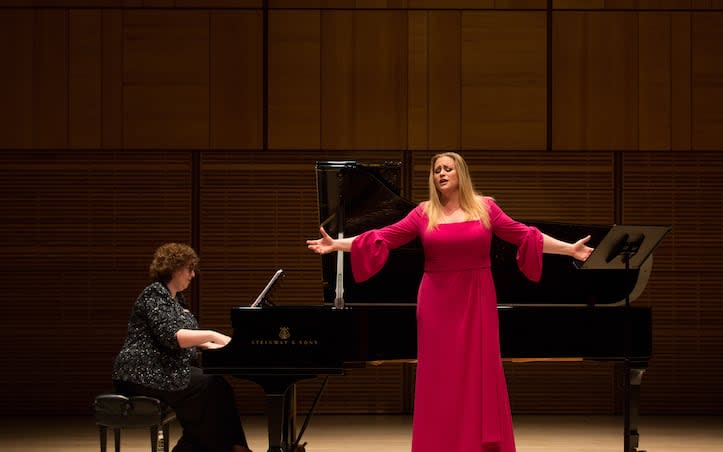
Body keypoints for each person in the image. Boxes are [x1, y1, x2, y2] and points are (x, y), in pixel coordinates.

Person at [306, 152, 594, 452]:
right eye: (436, 170)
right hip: (436, 301)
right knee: (439, 378)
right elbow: (382, 238)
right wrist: (337, 244)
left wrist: (569, 250)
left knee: (478, 373)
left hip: (477, 298)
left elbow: (525, 236)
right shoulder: (423, 213)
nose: (441, 174)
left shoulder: (486, 209)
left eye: (448, 169)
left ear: (461, 175)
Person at [112, 243, 251, 452]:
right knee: (207, 385)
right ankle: (227, 448)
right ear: (175, 268)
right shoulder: (154, 295)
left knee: (219, 386)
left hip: (164, 368)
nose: (193, 274)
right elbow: (174, 336)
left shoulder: (176, 300)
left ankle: (232, 446)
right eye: (190, 268)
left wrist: (229, 346)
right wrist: (214, 335)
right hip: (140, 371)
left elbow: (193, 340)